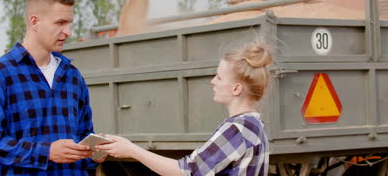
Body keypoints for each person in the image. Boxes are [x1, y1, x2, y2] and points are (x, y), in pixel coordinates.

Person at [0, 0, 105, 175]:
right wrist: (46, 153)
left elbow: (84, 133)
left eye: (70, 23)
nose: (68, 31)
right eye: (60, 23)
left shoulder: (72, 76)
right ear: (35, 21)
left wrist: (93, 151)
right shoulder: (0, 74)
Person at [97, 41, 273, 176]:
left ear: (236, 89)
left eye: (219, 77)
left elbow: (187, 171)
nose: (212, 82)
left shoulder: (237, 129)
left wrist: (132, 151)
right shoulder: (254, 125)